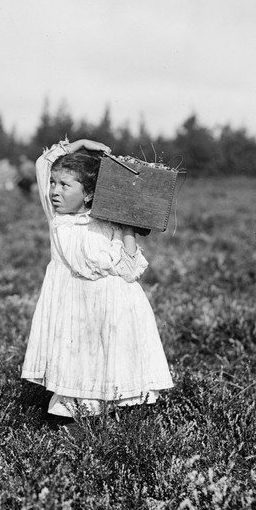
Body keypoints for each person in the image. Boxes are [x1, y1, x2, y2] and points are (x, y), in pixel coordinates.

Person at [21, 137, 173, 421]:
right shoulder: (57, 218)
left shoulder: (107, 223)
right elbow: (43, 163)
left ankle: (122, 418)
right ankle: (73, 418)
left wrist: (127, 227)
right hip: (74, 307)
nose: (55, 190)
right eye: (54, 183)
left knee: (113, 360)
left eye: (65, 185)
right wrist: (78, 144)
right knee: (78, 362)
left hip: (114, 307)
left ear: (88, 194)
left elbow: (130, 271)